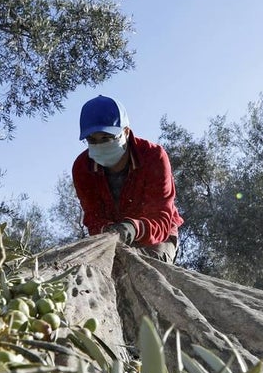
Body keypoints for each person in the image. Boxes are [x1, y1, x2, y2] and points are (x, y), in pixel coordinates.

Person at [71, 95, 183, 263]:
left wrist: (132, 228)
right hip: (111, 239)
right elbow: (92, 216)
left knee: (148, 270)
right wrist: (106, 230)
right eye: (92, 140)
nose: (99, 145)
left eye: (106, 138)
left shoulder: (154, 157)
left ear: (126, 132)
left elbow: (161, 218)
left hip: (157, 237)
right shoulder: (82, 168)